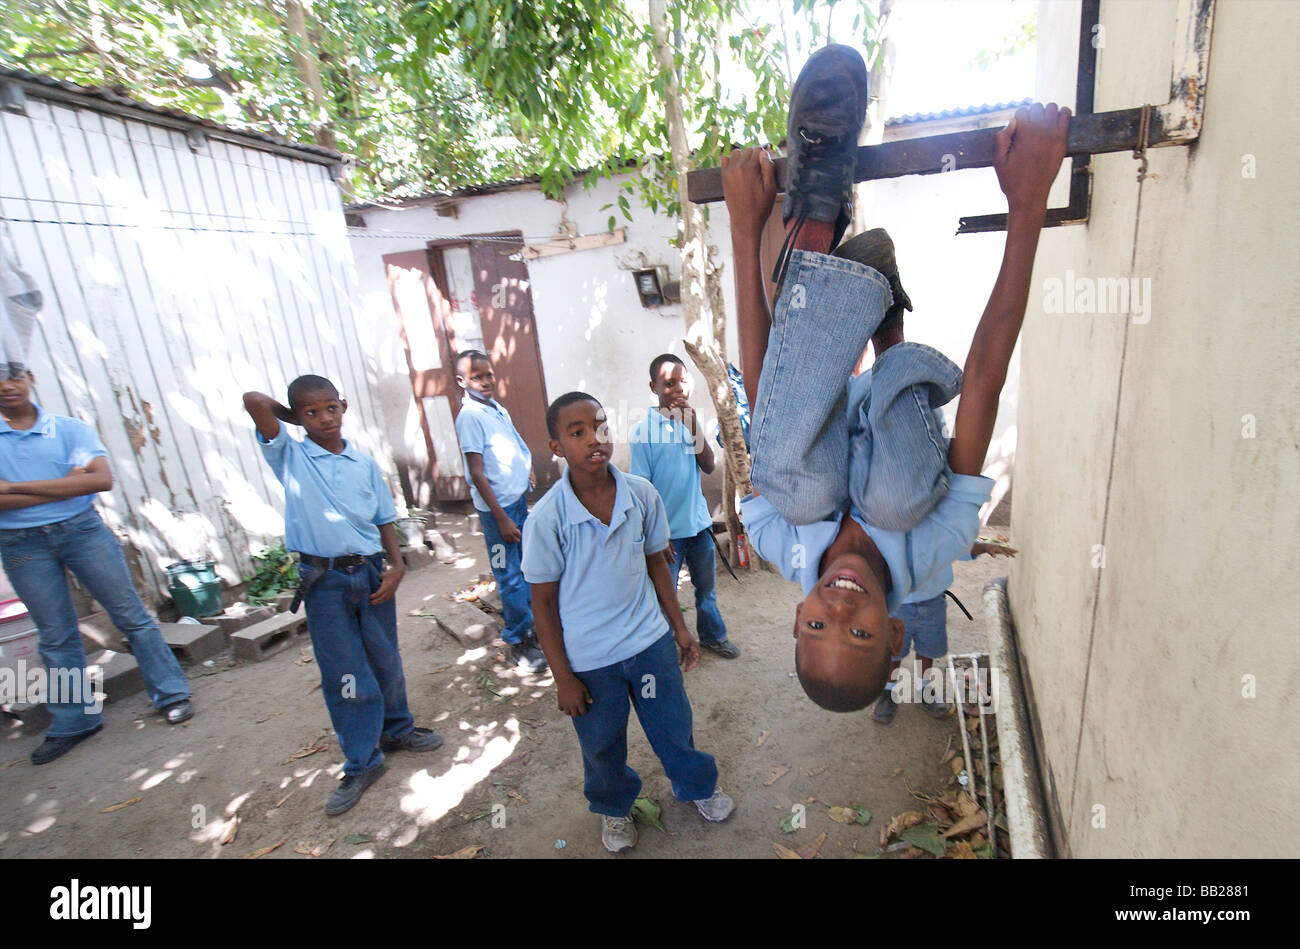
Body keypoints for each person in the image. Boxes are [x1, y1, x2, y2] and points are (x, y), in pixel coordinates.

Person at [724, 42, 1070, 712]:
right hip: (893, 388)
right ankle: (884, 325)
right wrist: (1028, 204)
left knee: (794, 488)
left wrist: (744, 231)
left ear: (796, 619)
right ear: (895, 631)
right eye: (859, 632)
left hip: (818, 381)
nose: (840, 605)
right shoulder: (936, 545)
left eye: (819, 624)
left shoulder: (780, 543)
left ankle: (816, 211)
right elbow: (985, 385)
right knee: (894, 503)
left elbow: (762, 395)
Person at [522, 391, 733, 853]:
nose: (593, 439)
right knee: (601, 744)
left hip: (649, 642)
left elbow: (659, 562)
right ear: (557, 447)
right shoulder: (547, 519)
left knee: (673, 726)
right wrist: (562, 677)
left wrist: (678, 627)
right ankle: (615, 809)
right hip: (590, 660)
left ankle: (696, 786)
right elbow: (543, 603)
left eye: (599, 426)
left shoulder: (640, 495)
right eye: (576, 432)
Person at [244, 375, 443, 816]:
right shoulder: (291, 453)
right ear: (298, 417)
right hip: (323, 580)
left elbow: (384, 518)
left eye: (330, 408)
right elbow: (253, 400)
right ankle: (362, 759)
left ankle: (396, 728)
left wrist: (396, 566)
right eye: (311, 412)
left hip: (370, 573)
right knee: (345, 672)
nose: (323, 419)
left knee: (385, 659)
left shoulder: (363, 462)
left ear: (344, 407)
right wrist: (291, 419)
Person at [0, 366, 193, 765]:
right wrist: (65, 484)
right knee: (55, 633)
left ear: (31, 377)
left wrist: (15, 487)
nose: (6, 386)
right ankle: (75, 720)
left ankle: (173, 694)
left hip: (82, 532)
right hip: (21, 544)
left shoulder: (69, 429)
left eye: (13, 375)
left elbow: (100, 480)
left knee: (131, 616)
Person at [629, 354, 739, 659]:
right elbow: (641, 492)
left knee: (706, 591)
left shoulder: (690, 422)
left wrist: (692, 426)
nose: (678, 388)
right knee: (666, 595)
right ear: (654, 387)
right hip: (667, 535)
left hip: (699, 526)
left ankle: (712, 637)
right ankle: (665, 648)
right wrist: (655, 535)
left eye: (683, 381)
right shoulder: (642, 433)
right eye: (669, 383)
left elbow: (708, 465)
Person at [453, 350, 546, 673]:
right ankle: (520, 641)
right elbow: (477, 472)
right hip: (498, 512)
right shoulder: (470, 417)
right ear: (462, 382)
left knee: (528, 567)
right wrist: (502, 517)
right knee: (509, 575)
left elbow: (512, 445)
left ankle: (536, 627)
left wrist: (527, 470)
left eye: (489, 374)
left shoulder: (494, 408)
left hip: (516, 500)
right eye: (477, 377)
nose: (486, 381)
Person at [873, 541, 1019, 724]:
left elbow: (959, 545)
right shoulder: (894, 532)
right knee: (894, 651)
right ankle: (888, 691)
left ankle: (924, 689)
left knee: (928, 649)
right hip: (898, 604)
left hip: (933, 603)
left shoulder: (939, 531)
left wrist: (985, 548)